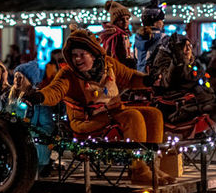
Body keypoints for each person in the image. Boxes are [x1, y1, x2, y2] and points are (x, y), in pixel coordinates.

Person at [24, 25, 171, 184]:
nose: (77, 59)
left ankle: (152, 165)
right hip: (86, 120)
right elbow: (55, 91)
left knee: (153, 114)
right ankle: (138, 169)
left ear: (93, 55)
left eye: (82, 55)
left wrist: (147, 80)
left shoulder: (109, 65)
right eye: (74, 55)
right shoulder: (68, 74)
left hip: (112, 111)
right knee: (133, 117)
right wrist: (39, 96)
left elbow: (128, 77)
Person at [151, 33, 216, 170]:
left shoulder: (192, 64)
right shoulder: (166, 62)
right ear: (175, 49)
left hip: (200, 104)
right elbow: (169, 81)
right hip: (183, 109)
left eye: (190, 46)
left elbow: (204, 86)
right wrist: (178, 60)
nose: (188, 49)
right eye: (184, 46)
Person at [1, 60, 55, 171]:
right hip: (11, 143)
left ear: (29, 80)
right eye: (15, 76)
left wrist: (27, 132)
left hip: (32, 147)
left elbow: (48, 127)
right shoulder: (8, 97)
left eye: (21, 77)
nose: (16, 80)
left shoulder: (38, 100)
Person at [99, 0, 137, 68]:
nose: (125, 21)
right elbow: (118, 57)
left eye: (127, 19)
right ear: (115, 21)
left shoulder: (122, 34)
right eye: (121, 19)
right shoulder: (116, 35)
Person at [133, 0, 166, 73]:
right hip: (155, 78)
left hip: (139, 76)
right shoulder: (163, 38)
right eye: (161, 20)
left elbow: (135, 59)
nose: (162, 23)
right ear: (155, 23)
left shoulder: (138, 38)